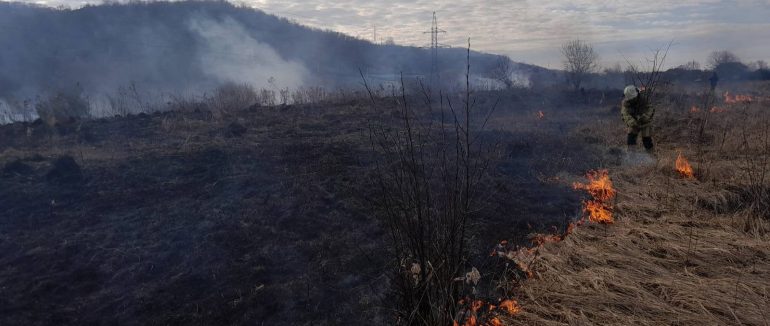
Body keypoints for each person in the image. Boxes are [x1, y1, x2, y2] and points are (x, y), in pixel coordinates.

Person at [621, 85, 654, 153]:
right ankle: (631, 155)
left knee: (647, 139)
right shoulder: (625, 103)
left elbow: (650, 108)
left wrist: (645, 117)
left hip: (645, 122)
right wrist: (632, 122)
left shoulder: (643, 99)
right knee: (631, 139)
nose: (632, 100)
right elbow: (625, 114)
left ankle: (651, 156)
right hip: (634, 122)